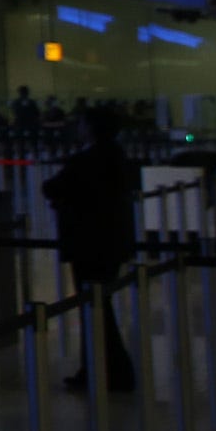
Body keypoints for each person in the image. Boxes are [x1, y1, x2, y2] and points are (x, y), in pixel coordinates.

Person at [45, 103, 139, 392]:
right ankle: (108, 369)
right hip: (112, 240)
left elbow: (52, 187)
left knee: (94, 307)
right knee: (100, 306)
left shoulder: (86, 159)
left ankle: (104, 370)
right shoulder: (116, 156)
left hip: (88, 242)